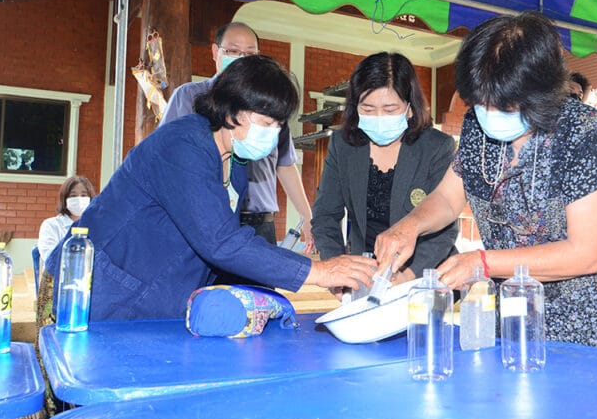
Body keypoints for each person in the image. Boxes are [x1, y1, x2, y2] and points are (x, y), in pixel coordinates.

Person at [375, 11, 597, 357]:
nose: (489, 114)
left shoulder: (583, 131)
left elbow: (588, 252)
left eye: (504, 106)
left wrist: (483, 263)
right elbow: (448, 198)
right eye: (481, 102)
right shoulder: (478, 128)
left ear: (541, 94)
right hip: (516, 314)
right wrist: (410, 227)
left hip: (596, 320)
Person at [40, 56, 374, 321]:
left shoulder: (235, 163)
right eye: (266, 122)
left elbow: (219, 249)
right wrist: (319, 271)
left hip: (153, 300)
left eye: (279, 124)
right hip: (91, 292)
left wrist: (262, 293)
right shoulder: (183, 145)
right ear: (231, 111)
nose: (273, 133)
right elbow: (221, 242)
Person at [160, 21, 315, 255]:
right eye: (233, 51)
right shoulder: (188, 97)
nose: (241, 59)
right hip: (207, 220)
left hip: (259, 223)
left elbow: (285, 164)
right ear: (215, 52)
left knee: (260, 279)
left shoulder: (269, 103)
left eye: (250, 54)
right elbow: (168, 158)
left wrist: (307, 217)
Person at [311, 52, 458, 293]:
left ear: (409, 108)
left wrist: (407, 276)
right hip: (365, 274)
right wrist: (337, 270)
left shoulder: (436, 147)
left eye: (390, 110)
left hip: (425, 274)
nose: (379, 118)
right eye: (367, 109)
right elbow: (326, 215)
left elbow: (445, 227)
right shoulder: (343, 145)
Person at [37, 175, 96, 263]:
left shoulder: (96, 226)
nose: (79, 199)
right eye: (73, 195)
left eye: (84, 195)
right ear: (64, 199)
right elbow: (50, 258)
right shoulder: (51, 225)